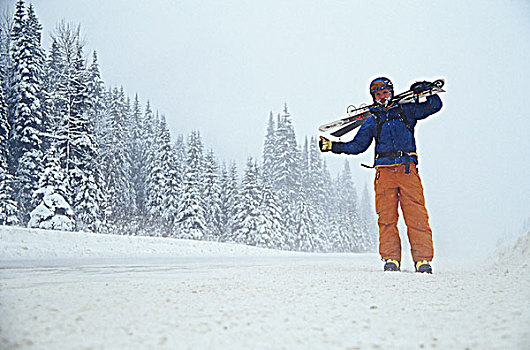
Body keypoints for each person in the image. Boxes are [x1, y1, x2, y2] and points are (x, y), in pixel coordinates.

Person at [319, 77, 443, 273]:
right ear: (374, 97)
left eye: (385, 93)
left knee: (416, 216)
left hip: (407, 170)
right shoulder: (373, 119)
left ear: (391, 93)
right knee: (386, 218)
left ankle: (422, 260)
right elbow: (357, 146)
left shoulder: (406, 111)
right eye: (378, 95)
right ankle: (391, 259)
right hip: (384, 174)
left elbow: (434, 107)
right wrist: (333, 146)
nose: (382, 97)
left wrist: (426, 92)